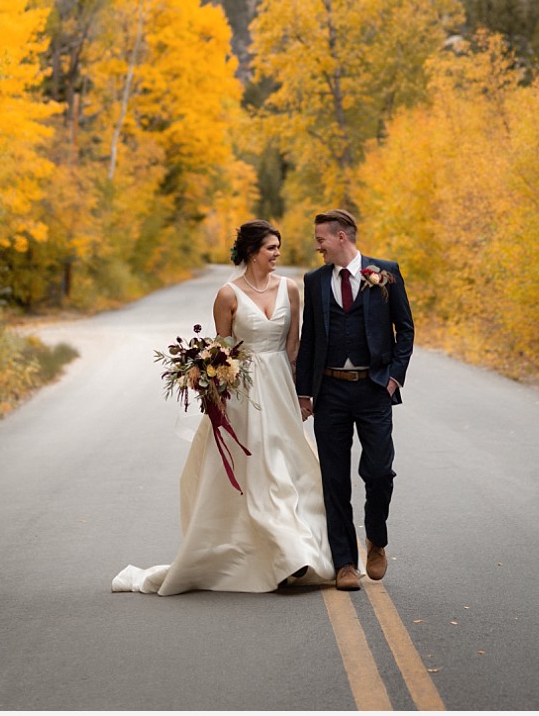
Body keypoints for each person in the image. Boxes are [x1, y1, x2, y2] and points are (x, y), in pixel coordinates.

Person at [111, 220, 334, 595]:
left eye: (278, 247)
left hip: (279, 386)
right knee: (260, 472)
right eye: (270, 248)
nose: (277, 254)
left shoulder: (291, 290)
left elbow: (295, 348)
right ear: (251, 252)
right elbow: (222, 351)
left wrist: (302, 394)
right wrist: (210, 383)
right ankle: (285, 556)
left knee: (290, 467)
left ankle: (298, 550)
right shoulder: (228, 295)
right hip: (245, 395)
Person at [296, 208, 414, 592]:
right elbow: (309, 338)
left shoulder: (385, 272)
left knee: (380, 472)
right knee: (333, 480)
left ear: (341, 237)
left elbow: (406, 329)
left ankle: (376, 538)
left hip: (374, 388)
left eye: (321, 240)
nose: (318, 247)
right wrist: (304, 392)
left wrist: (393, 378)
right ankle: (345, 563)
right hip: (330, 391)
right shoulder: (314, 281)